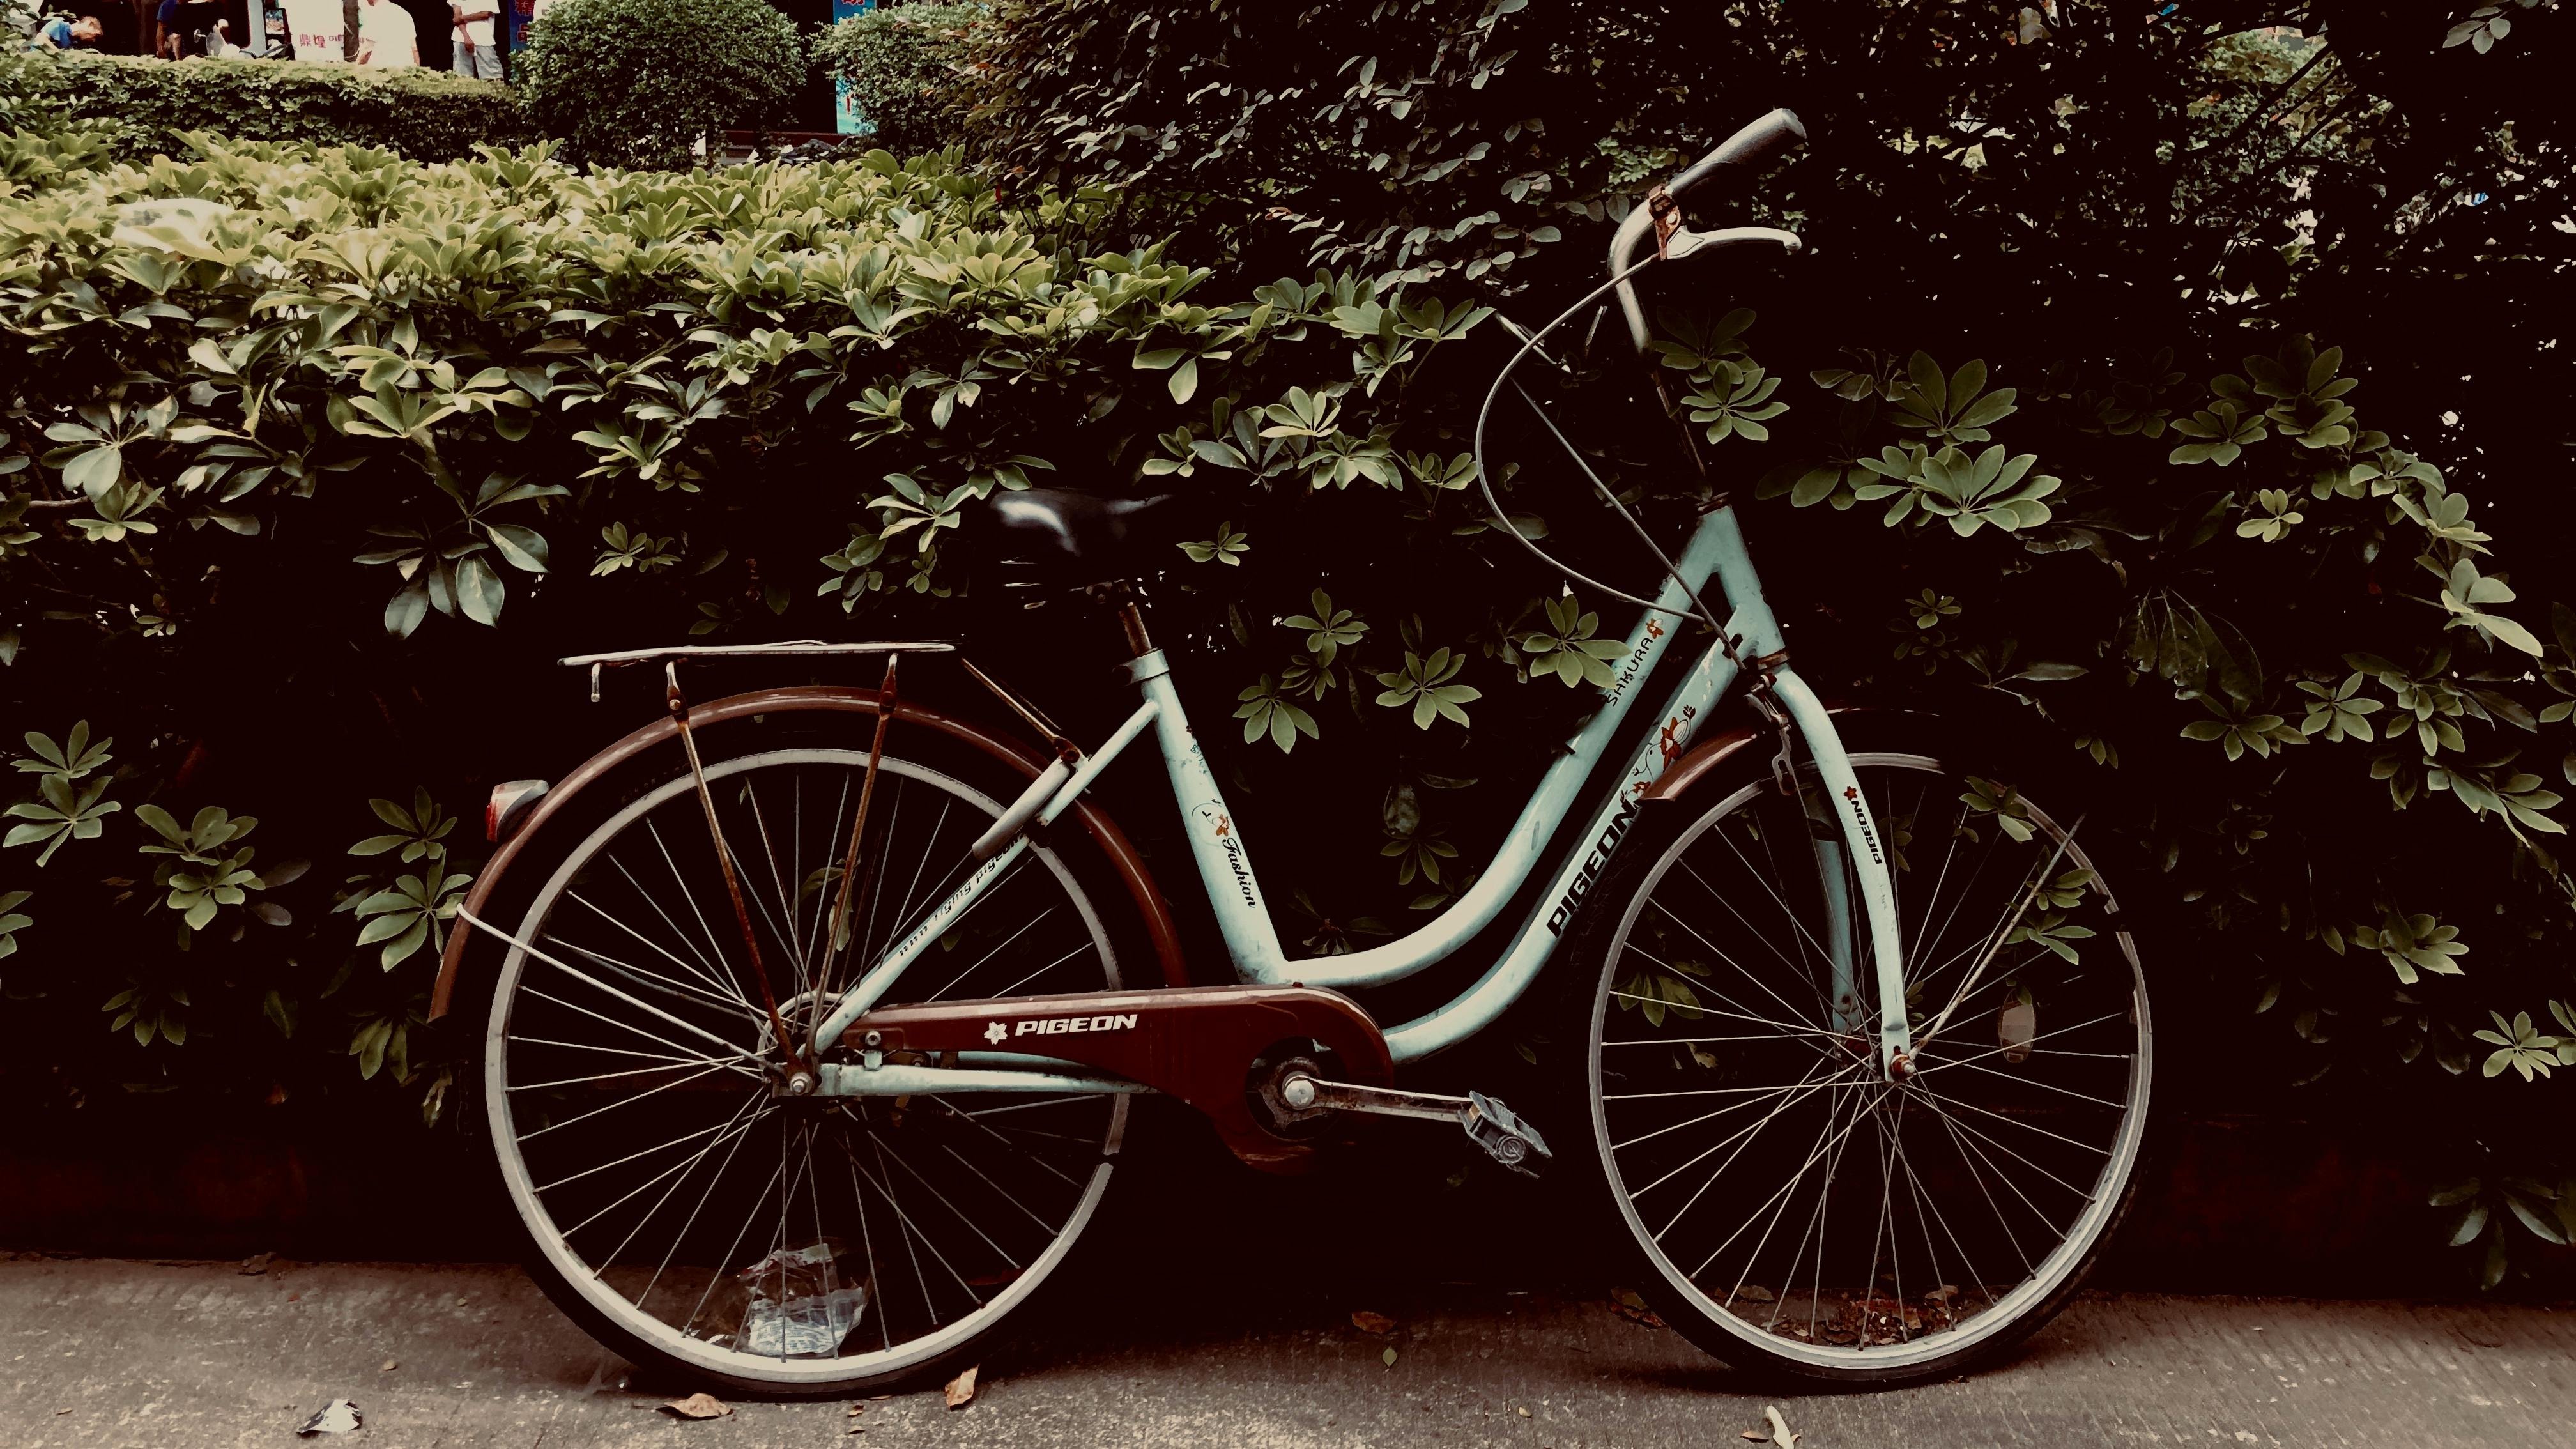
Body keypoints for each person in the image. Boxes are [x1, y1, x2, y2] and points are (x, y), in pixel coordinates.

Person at [353, 0, 414, 64]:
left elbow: (367, 50)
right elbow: (414, 50)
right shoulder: (405, 14)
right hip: (404, 69)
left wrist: (355, 69)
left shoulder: (375, 13)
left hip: (383, 69)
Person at [449, 0, 495, 75]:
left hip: (483, 38)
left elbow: (485, 14)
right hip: (461, 37)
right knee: (462, 76)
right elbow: (457, 16)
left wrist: (462, 18)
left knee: (491, 75)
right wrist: (466, 37)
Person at [29, 12, 104, 47]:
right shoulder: (58, 24)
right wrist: (60, 56)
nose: (94, 40)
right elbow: (41, 39)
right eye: (95, 35)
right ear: (89, 24)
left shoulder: (76, 43)